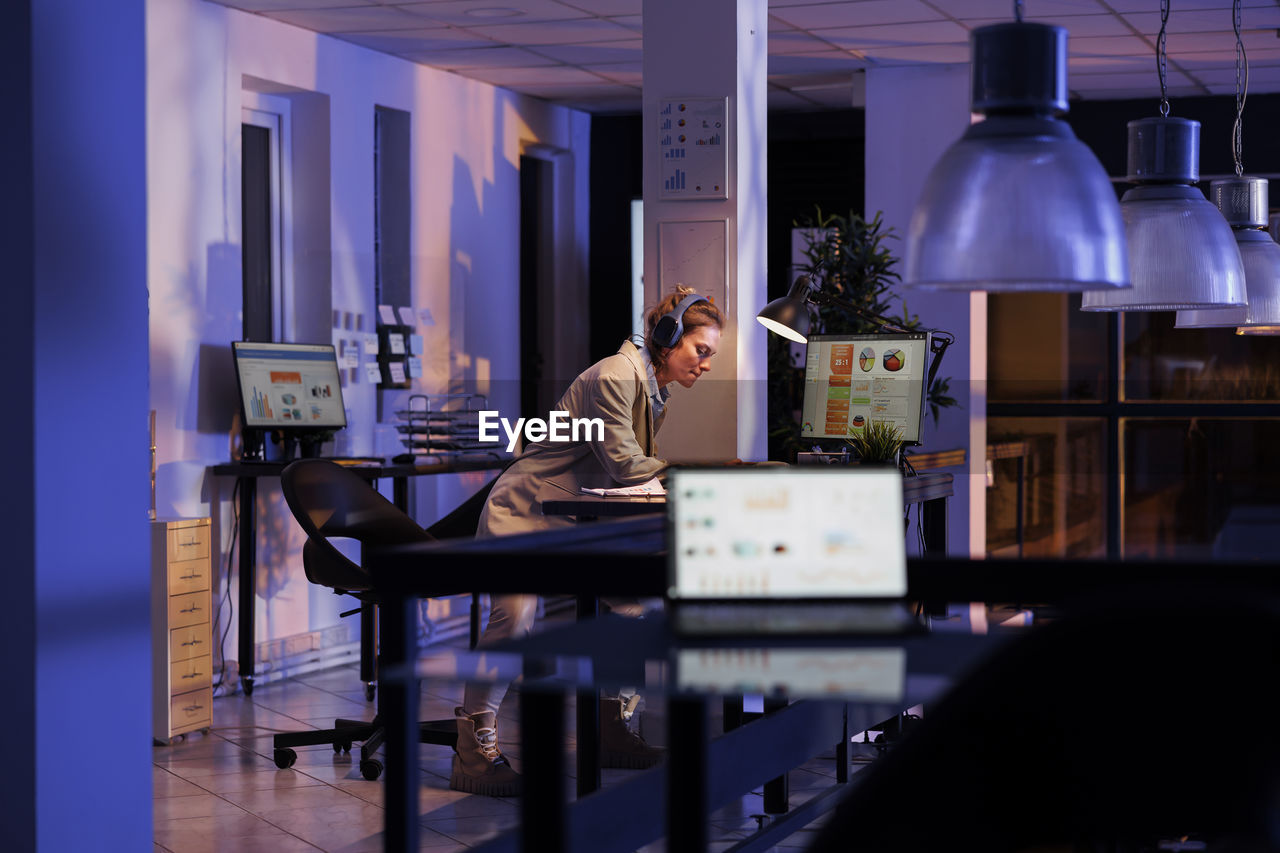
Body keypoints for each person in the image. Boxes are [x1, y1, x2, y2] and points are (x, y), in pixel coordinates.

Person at [450, 286, 725, 797]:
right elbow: (624, 465)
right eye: (701, 351)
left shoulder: (648, 386)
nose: (706, 365)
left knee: (633, 605)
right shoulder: (614, 376)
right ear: (669, 339)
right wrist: (710, 472)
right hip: (526, 512)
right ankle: (472, 751)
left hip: (573, 516)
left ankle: (610, 731)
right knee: (516, 618)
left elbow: (631, 470)